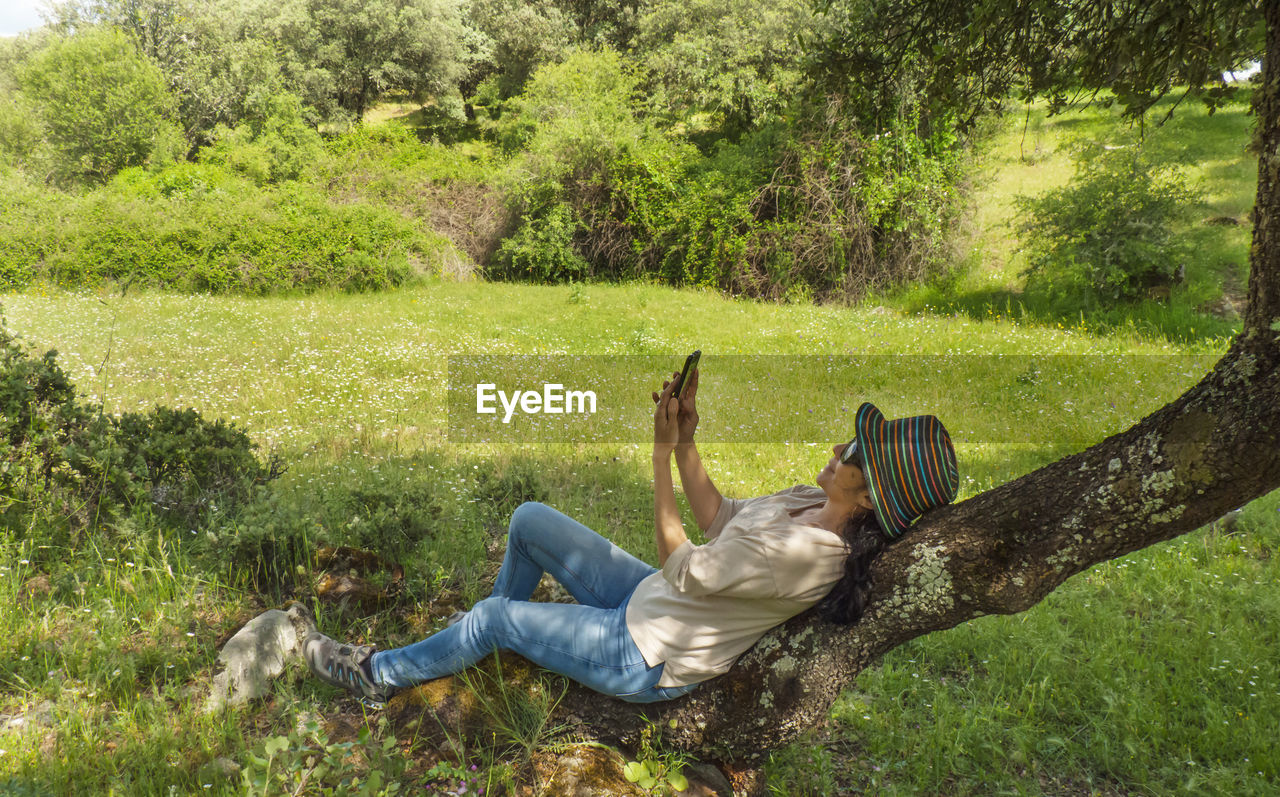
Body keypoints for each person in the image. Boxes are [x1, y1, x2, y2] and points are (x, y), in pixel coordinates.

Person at [303, 368, 959, 708]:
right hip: (650, 601)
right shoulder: (808, 502)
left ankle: (377, 675)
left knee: (495, 616)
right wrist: (689, 437)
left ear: (870, 496)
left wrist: (658, 454)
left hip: (645, 655)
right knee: (530, 518)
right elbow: (720, 517)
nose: (838, 446)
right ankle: (482, 647)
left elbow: (690, 567)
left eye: (855, 452)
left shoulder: (810, 557)